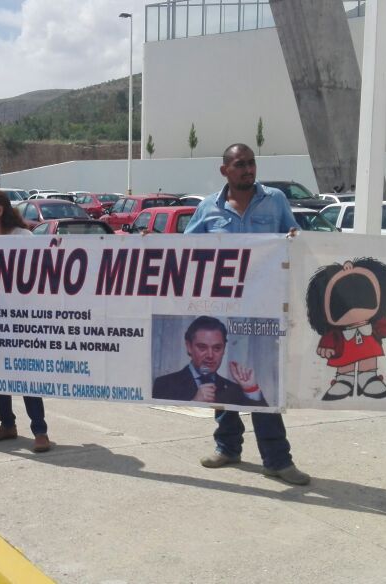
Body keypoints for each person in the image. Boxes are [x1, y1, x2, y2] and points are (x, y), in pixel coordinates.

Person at [183, 143, 310, 486]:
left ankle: (277, 460)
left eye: (252, 163)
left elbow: (294, 236)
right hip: (221, 312)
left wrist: (295, 238)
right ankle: (227, 447)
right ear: (224, 170)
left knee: (262, 387)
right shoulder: (209, 208)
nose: (248, 170)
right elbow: (185, 249)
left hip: (264, 310)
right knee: (221, 383)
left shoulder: (275, 201)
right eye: (240, 164)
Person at [0, 189, 52, 453]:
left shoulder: (23, 238)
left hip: (22, 321)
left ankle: (40, 430)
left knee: (26, 375)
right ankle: (7, 424)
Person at [152, 316, 261, 406]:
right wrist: (193, 404)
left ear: (223, 349)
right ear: (189, 347)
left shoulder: (235, 390)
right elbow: (160, 426)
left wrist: (251, 390)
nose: (210, 355)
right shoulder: (164, 384)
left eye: (217, 348)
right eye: (202, 347)